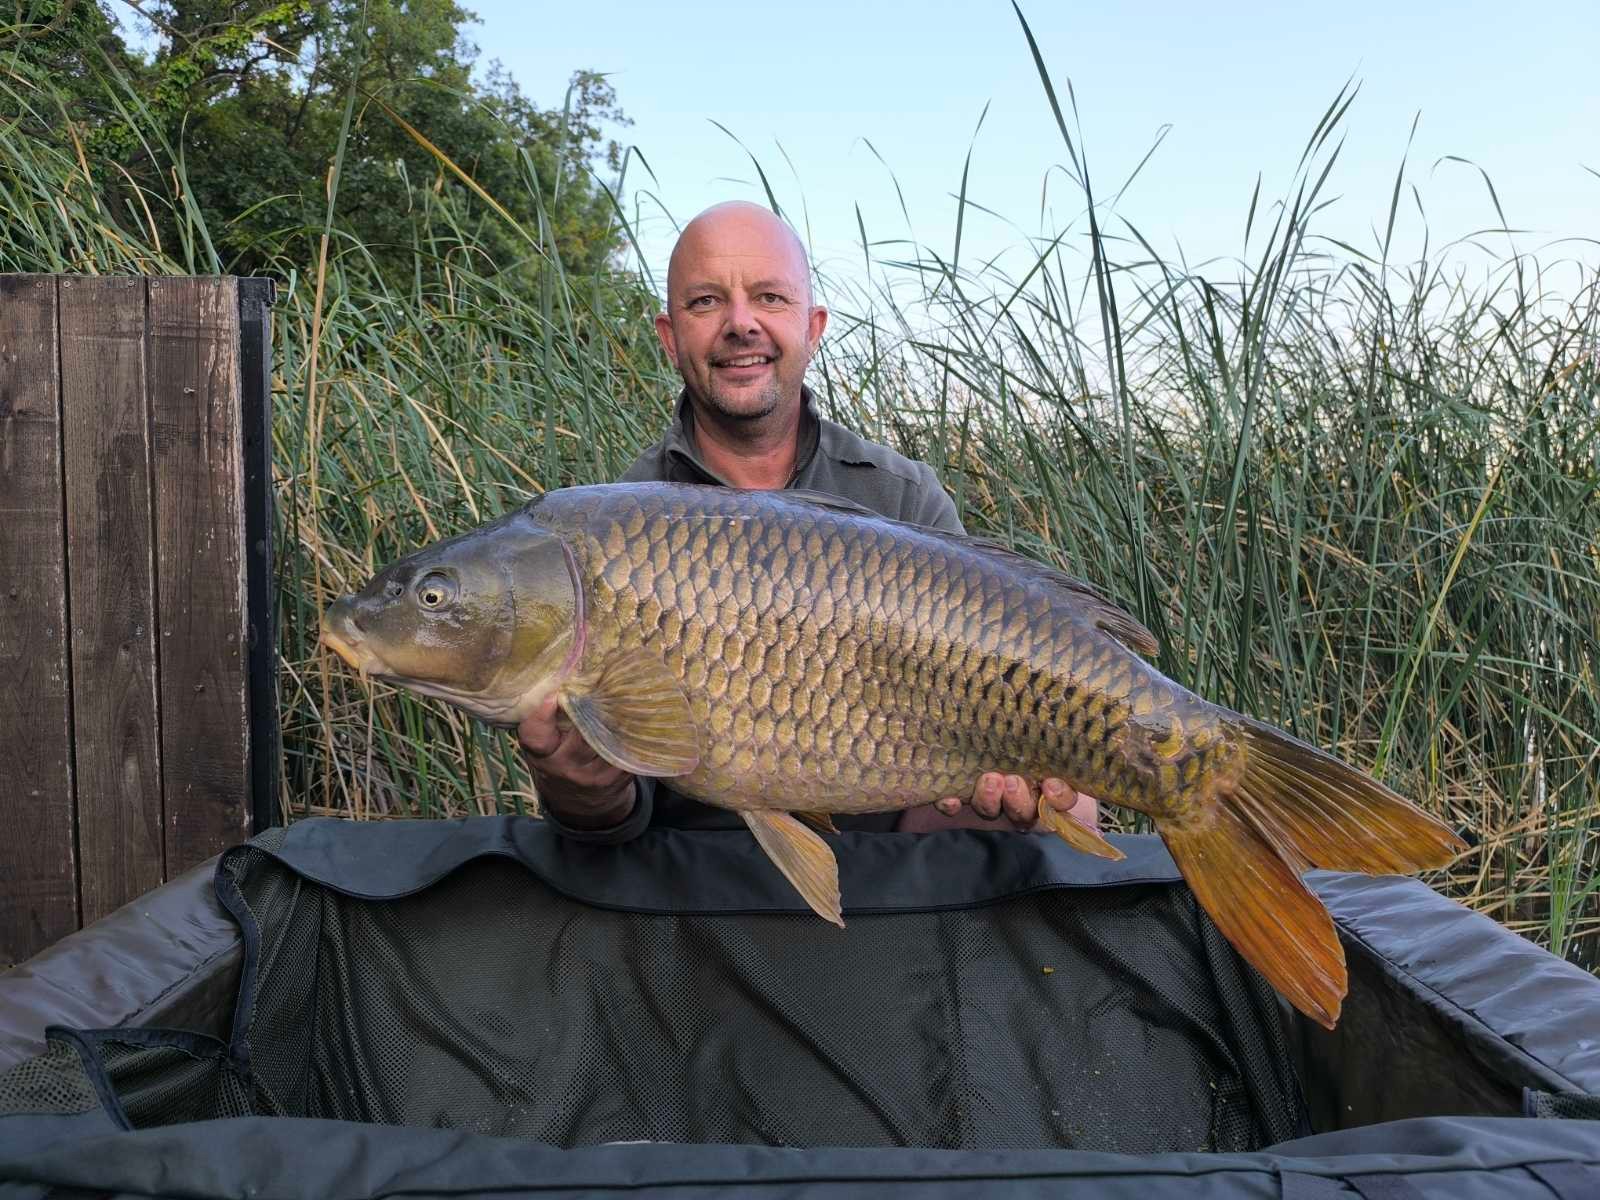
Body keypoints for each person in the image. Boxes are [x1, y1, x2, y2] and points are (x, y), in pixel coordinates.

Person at [517, 200, 1098, 841]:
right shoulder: (614, 530)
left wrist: (1028, 798)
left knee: (1070, 813)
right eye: (706, 302)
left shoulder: (901, 497)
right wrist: (582, 792)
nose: (741, 324)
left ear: (813, 327)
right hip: (690, 881)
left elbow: (954, 796)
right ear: (670, 336)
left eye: (770, 297)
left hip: (888, 869)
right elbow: (613, 824)